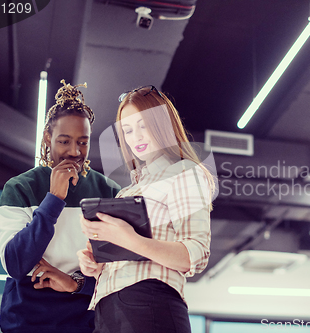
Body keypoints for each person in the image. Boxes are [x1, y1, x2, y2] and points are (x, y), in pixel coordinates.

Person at [77, 85, 217, 333]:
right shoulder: (127, 192)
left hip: (149, 302)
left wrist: (130, 239)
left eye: (143, 125)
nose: (136, 137)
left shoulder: (184, 172)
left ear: (162, 124)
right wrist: (96, 265)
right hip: (107, 310)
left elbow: (194, 254)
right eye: (128, 130)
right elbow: (121, 255)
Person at [0, 80, 120, 333]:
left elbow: (119, 272)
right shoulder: (19, 188)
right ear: (48, 138)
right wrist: (53, 199)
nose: (75, 151)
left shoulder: (109, 192)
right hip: (25, 322)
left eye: (83, 142)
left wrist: (75, 283)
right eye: (64, 141)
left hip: (85, 323)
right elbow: (16, 264)